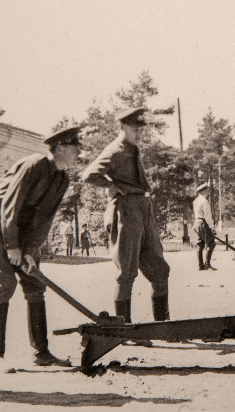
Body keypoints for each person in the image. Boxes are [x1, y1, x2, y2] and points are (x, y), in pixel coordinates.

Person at [0, 126, 81, 369]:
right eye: (76, 147)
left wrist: (31, 249)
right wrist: (13, 246)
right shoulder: (34, 165)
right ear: (61, 147)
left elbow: (45, 219)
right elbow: (10, 207)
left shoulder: (62, 179)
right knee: (4, 284)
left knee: (35, 282)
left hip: (20, 230)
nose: (79, 152)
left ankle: (41, 353)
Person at [81, 107, 170, 325]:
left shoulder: (133, 150)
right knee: (127, 272)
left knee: (159, 270)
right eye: (134, 129)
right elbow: (89, 175)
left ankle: (163, 326)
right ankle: (125, 328)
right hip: (126, 210)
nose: (139, 133)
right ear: (122, 127)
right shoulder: (115, 150)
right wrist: (113, 186)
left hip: (143, 207)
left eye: (141, 129)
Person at [192, 183, 216, 270]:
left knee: (200, 244)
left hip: (197, 223)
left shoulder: (195, 201)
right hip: (203, 223)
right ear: (203, 191)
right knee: (211, 243)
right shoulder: (204, 201)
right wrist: (212, 227)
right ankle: (207, 264)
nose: (208, 192)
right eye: (207, 190)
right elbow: (207, 216)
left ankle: (200, 266)